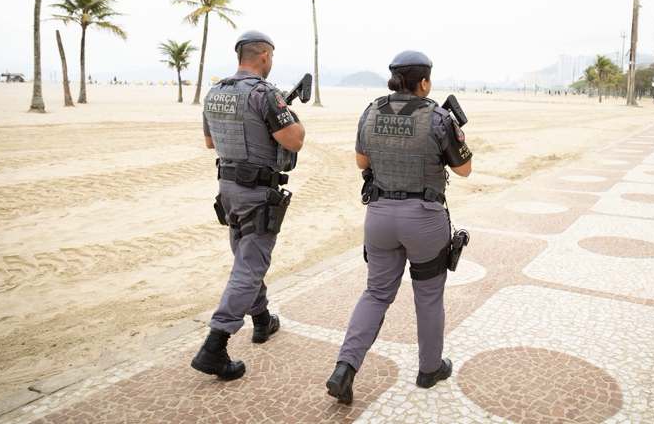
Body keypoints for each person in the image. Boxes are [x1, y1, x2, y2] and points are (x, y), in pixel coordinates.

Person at [326, 50, 473, 404]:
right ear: (424, 82)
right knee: (428, 295)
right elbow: (464, 170)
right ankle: (429, 369)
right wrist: (462, 140)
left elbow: (362, 160)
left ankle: (344, 368)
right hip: (423, 218)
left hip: (379, 216)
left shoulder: (371, 110)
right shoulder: (438, 117)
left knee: (376, 294)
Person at [190, 30, 306, 380]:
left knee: (245, 259)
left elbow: (211, 142)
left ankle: (261, 320)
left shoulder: (216, 92)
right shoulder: (265, 94)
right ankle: (216, 344)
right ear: (265, 57)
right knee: (250, 266)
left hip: (227, 187)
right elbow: (295, 141)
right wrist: (287, 116)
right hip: (257, 191)